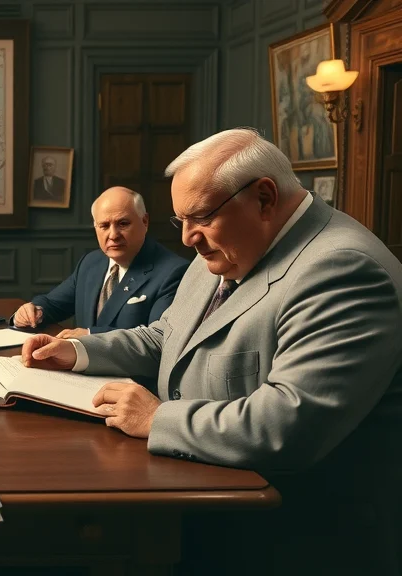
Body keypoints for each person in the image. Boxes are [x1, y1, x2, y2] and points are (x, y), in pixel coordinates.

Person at [21, 128, 402, 574]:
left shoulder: (344, 269)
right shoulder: (229, 245)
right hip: (206, 496)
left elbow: (289, 424)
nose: (186, 239)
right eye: (180, 220)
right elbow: (167, 336)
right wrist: (78, 353)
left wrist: (156, 418)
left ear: (263, 198)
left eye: (199, 217)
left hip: (292, 535)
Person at [12, 187, 188, 337]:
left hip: (130, 375)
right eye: (104, 226)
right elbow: (54, 304)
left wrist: (90, 336)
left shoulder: (173, 272)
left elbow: (156, 338)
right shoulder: (91, 262)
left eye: (123, 223)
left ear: (145, 221)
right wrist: (34, 310)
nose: (113, 235)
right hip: (79, 369)